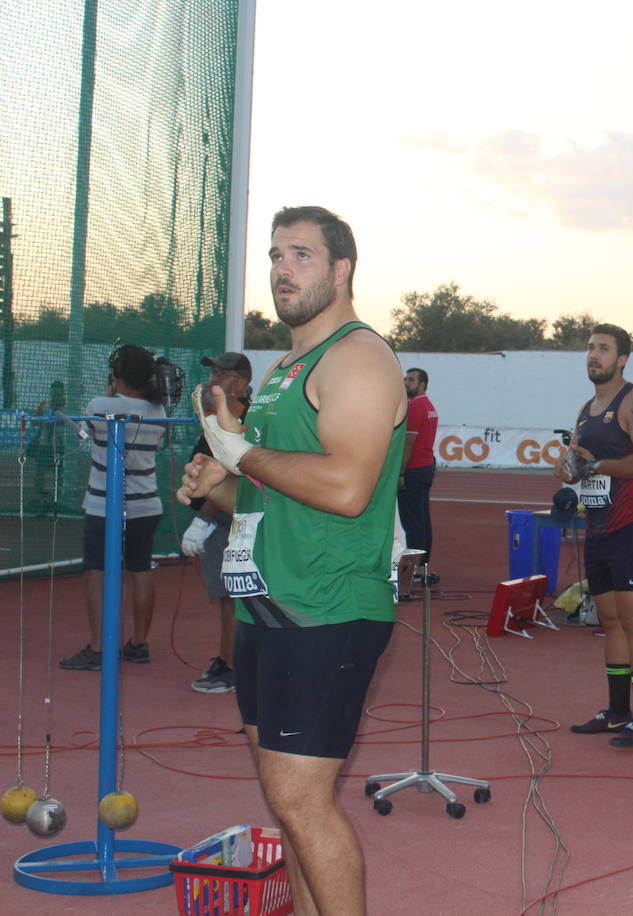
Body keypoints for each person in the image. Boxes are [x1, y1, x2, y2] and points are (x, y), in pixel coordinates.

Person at [177, 205, 407, 916]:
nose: (282, 268)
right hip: (267, 605)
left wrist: (237, 451)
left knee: (302, 803)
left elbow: (345, 487)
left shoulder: (359, 358)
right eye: (276, 254)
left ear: (341, 270)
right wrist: (217, 488)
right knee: (290, 805)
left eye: (301, 255)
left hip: (328, 608)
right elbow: (264, 500)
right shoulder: (285, 368)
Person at [554, 323, 633, 749]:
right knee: (611, 620)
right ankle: (618, 712)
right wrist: (568, 469)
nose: (593, 355)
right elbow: (577, 464)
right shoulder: (586, 408)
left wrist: (597, 465)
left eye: (603, 349)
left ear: (622, 359)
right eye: (589, 348)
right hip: (597, 527)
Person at [60, 345, 167, 671]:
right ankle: (138, 642)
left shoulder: (100, 405)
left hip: (103, 504)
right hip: (146, 503)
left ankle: (97, 647)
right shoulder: (158, 410)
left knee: (96, 571)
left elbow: (92, 434)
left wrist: (111, 395)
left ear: (118, 375)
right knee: (140, 571)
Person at [181, 352, 253, 693]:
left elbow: (232, 478)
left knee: (236, 596)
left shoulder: (249, 421)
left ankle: (232, 666)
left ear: (241, 383)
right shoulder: (213, 419)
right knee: (232, 597)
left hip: (239, 524)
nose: (214, 381)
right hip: (225, 521)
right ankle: (232, 663)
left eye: (222, 375)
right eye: (212, 374)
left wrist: (202, 522)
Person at [399, 367, 439, 582]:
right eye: (405, 378)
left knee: (413, 522)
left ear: (422, 383)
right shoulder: (428, 406)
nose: (406, 382)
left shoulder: (416, 406)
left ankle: (416, 571)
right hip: (425, 467)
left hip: (414, 470)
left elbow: (409, 441)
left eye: (411, 379)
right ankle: (422, 568)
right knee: (422, 520)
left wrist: (401, 472)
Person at [28, 380, 67, 516]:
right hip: (45, 445)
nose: (55, 395)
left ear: (62, 392)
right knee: (40, 473)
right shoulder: (45, 405)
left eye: (58, 392)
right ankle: (41, 498)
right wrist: (42, 419)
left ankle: (58, 500)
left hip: (60, 446)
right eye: (53, 392)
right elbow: (33, 421)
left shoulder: (67, 406)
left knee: (60, 474)